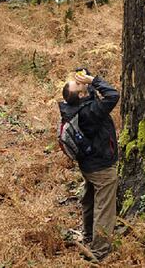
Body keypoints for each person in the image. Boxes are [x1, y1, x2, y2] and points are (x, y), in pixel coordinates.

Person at [59, 69, 120, 263]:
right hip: (102, 166)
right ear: (82, 95)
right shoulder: (91, 112)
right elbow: (113, 95)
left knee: (89, 199)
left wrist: (86, 76)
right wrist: (94, 80)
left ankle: (87, 235)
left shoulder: (75, 107)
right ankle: (99, 251)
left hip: (87, 163)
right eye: (78, 84)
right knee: (105, 207)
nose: (80, 82)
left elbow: (93, 94)